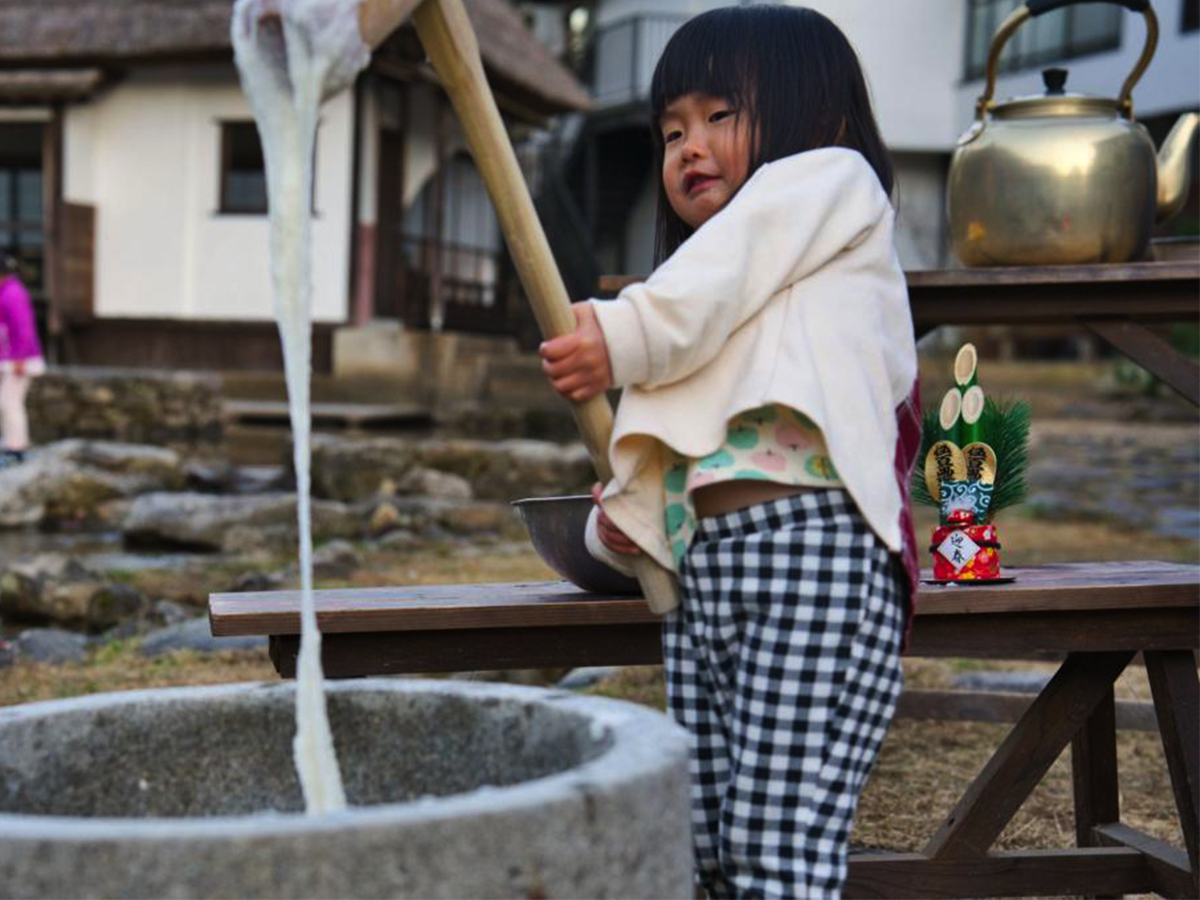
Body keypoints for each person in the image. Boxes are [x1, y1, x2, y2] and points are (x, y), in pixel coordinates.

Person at [539, 7, 922, 898]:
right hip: (706, 576)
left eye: (719, 116)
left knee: (773, 836)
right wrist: (621, 528)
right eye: (671, 128)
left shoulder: (829, 181)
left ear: (815, 115)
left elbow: (709, 284)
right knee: (704, 831)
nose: (687, 146)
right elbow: (669, 445)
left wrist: (624, 332)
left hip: (810, 552)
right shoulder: (707, 298)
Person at [0, 254, 45, 467]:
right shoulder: (7, 291)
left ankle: (16, 448)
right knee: (8, 402)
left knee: (11, 402)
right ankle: (12, 444)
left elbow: (23, 328)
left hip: (21, 359)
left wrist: (19, 358)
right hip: (12, 356)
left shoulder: (13, 293)